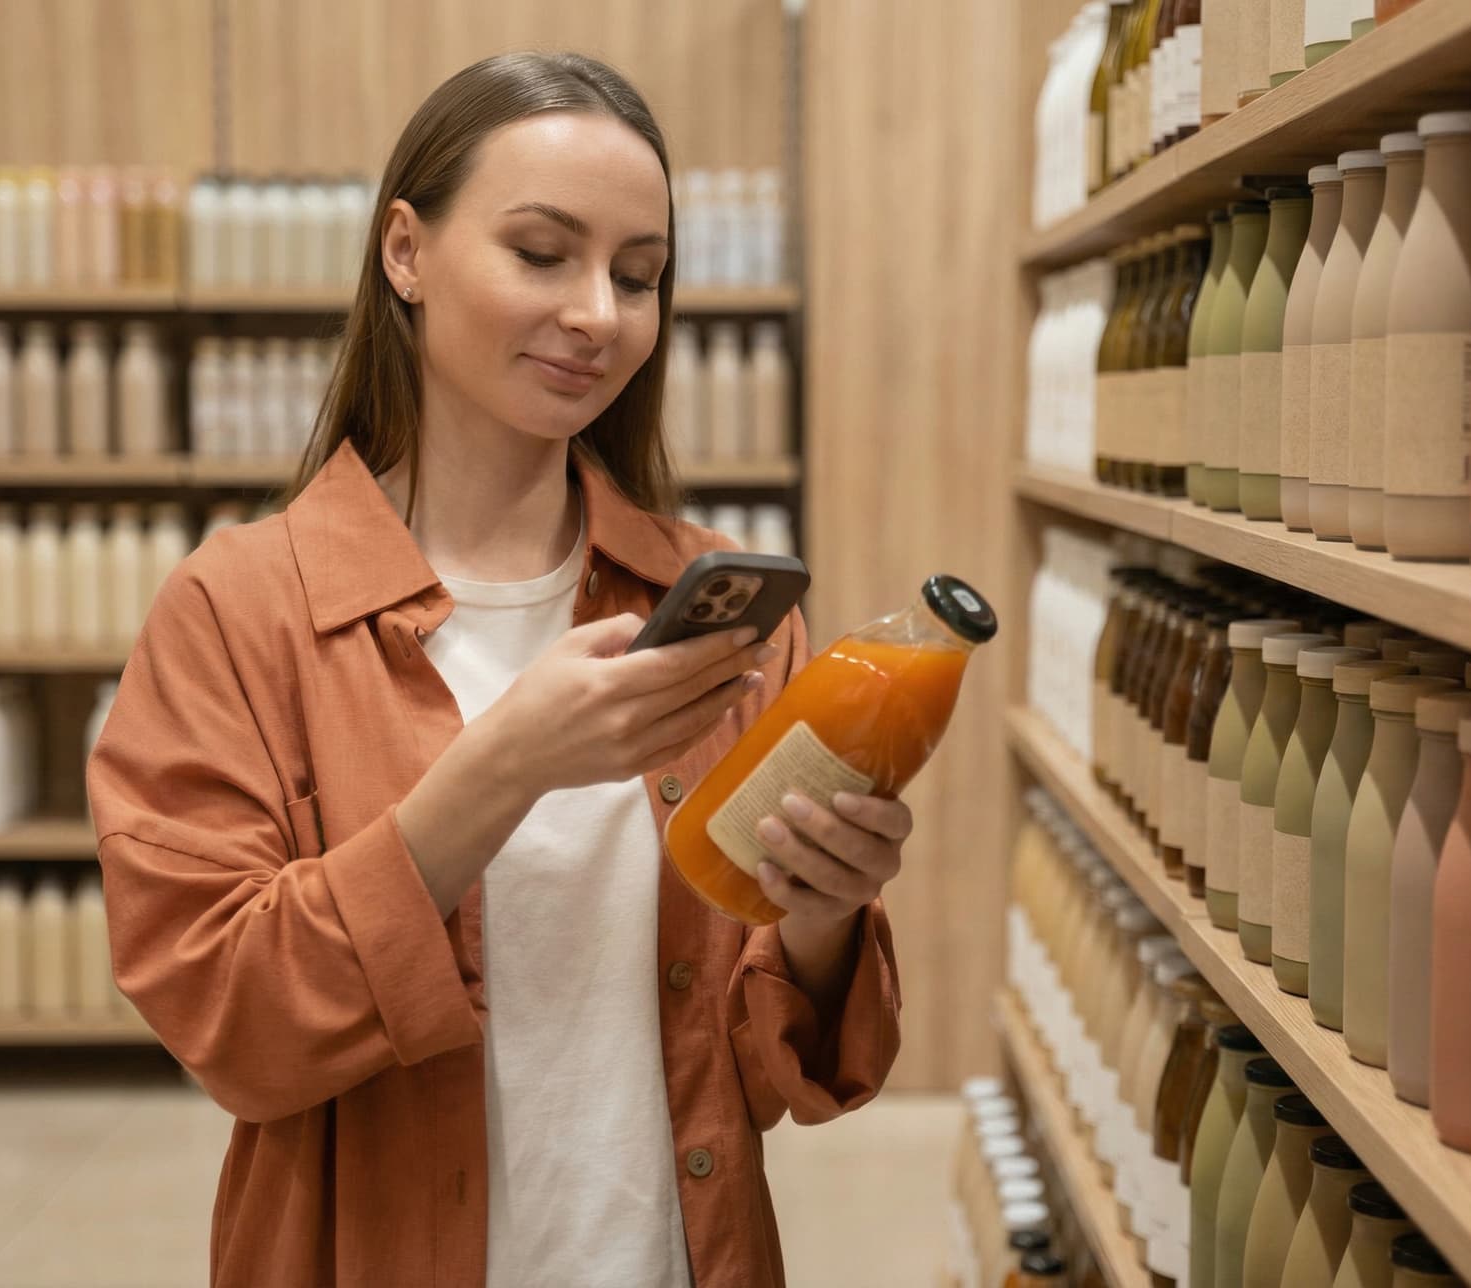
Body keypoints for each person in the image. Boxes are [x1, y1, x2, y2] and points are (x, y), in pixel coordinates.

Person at [87, 51, 906, 1288]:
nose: (599, 313)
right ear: (404, 252)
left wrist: (825, 907)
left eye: (640, 276)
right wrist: (507, 765)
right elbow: (231, 1019)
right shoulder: (239, 612)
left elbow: (774, 1064)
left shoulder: (723, 607)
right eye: (542, 253)